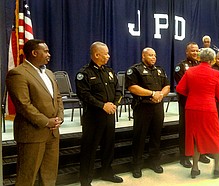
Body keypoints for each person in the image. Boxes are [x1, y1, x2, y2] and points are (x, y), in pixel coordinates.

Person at [6, 39, 64, 186]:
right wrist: (46, 121)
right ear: (34, 53)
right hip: (32, 134)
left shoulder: (49, 73)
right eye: (45, 51)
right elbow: (24, 105)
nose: (49, 54)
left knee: (49, 174)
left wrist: (59, 118)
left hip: (53, 132)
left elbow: (58, 97)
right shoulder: (18, 74)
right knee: (27, 176)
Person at [176, 48, 219, 179]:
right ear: (212, 60)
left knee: (195, 138)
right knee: (215, 137)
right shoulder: (216, 74)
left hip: (191, 108)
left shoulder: (190, 71)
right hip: (208, 109)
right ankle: (217, 168)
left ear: (200, 58)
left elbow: (179, 89)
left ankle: (194, 168)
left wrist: (193, 94)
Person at [75, 41, 123, 186]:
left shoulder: (109, 71)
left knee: (109, 146)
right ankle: (85, 179)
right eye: (106, 53)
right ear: (96, 54)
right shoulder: (84, 73)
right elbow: (84, 95)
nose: (108, 56)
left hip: (109, 115)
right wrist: (102, 106)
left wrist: (114, 104)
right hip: (93, 117)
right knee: (89, 148)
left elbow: (118, 90)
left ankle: (107, 172)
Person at [126, 47, 170, 178]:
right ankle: (136, 165)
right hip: (143, 107)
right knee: (139, 137)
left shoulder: (160, 70)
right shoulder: (135, 70)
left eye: (155, 56)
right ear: (143, 56)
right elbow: (132, 87)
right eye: (150, 55)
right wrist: (152, 93)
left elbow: (167, 86)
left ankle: (154, 162)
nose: (153, 58)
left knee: (156, 135)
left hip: (157, 107)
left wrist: (161, 94)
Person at [174, 42, 210, 168]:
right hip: (187, 104)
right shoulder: (181, 67)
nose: (195, 53)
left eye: (196, 51)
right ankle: (184, 157)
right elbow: (183, 86)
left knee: (200, 130)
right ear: (187, 52)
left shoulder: (202, 65)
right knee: (185, 130)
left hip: (201, 105)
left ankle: (201, 154)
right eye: (192, 51)